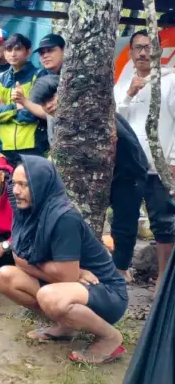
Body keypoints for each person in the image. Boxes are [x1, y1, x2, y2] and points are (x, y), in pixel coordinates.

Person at [0, 156, 129, 365]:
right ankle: (66, 326)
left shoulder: (63, 217)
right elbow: (17, 257)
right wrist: (73, 272)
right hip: (70, 286)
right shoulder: (25, 212)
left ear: (42, 185)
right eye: (14, 183)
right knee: (5, 276)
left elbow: (65, 276)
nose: (16, 190)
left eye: (24, 184)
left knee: (49, 296)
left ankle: (109, 337)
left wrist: (42, 265)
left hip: (106, 292)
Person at [32, 75, 150, 281]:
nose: (49, 105)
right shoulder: (57, 118)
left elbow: (113, 143)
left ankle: (121, 269)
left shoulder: (89, 109)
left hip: (128, 169)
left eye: (51, 98)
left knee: (124, 221)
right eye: (44, 103)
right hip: (100, 174)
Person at [114, 30, 175, 283]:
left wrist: (172, 161)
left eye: (148, 47)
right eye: (138, 48)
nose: (142, 53)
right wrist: (129, 94)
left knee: (163, 224)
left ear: (158, 52)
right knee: (123, 220)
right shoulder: (122, 84)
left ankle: (163, 277)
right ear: (129, 53)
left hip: (159, 167)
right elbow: (115, 121)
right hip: (128, 167)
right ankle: (119, 271)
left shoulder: (170, 81)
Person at [0, 33, 43, 165]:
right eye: (9, 49)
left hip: (32, 146)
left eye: (18, 49)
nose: (13, 54)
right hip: (4, 147)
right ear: (5, 53)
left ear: (28, 51)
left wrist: (4, 112)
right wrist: (16, 107)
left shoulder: (38, 75)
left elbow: (32, 114)